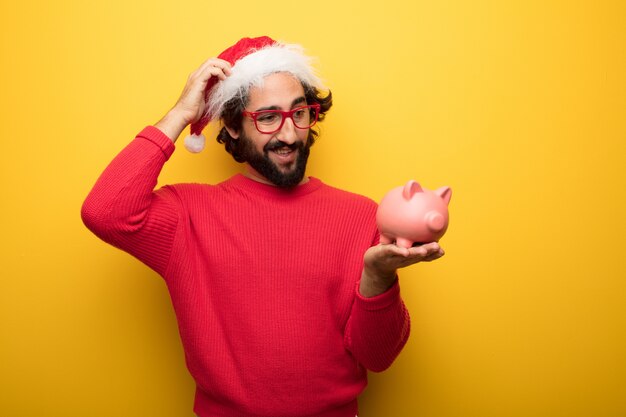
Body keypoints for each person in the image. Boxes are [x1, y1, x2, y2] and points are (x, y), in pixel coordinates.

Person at [81, 36, 444, 417]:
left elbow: (379, 357)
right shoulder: (187, 214)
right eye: (268, 118)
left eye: (299, 113)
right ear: (234, 126)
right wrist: (180, 114)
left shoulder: (362, 216)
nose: (289, 135)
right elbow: (104, 211)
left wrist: (379, 275)